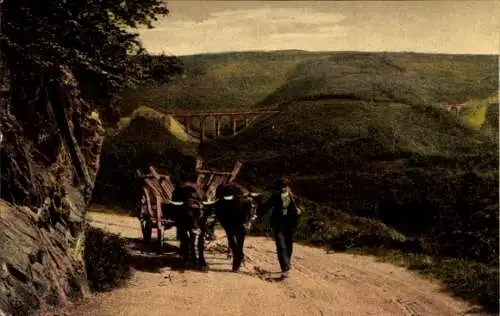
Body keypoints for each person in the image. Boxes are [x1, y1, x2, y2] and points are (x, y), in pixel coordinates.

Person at [257, 176, 302, 278]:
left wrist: (298, 214)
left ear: (288, 186)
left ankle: (287, 263)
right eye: (280, 186)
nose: (282, 188)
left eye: (284, 186)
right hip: (277, 224)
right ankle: (285, 268)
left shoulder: (294, 198)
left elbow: (298, 211)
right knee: (281, 246)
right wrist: (259, 207)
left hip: (289, 224)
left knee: (289, 246)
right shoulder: (275, 197)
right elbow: (265, 208)